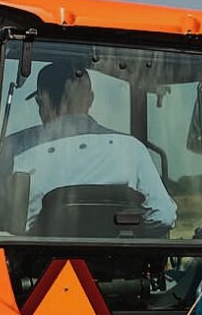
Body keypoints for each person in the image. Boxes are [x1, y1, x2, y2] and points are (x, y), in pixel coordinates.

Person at [9, 57, 178, 234]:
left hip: (37, 259)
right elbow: (164, 216)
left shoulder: (17, 149)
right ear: (90, 99)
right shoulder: (131, 149)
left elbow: (0, 223)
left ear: (41, 101)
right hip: (115, 260)